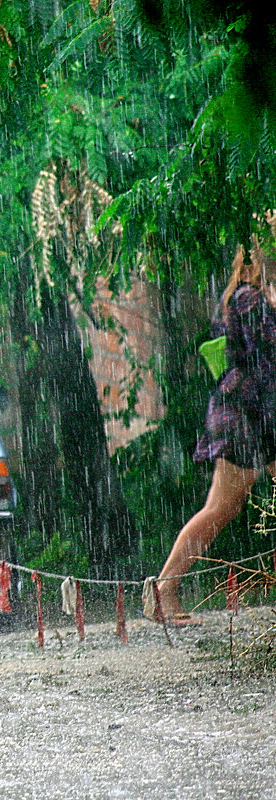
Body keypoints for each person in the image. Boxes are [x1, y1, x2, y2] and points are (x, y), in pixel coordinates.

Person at [153, 232, 276, 626]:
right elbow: (265, 359)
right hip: (244, 414)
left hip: (259, 410)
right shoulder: (248, 298)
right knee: (222, 505)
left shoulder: (258, 297)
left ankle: (164, 590)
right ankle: (163, 590)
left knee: (223, 506)